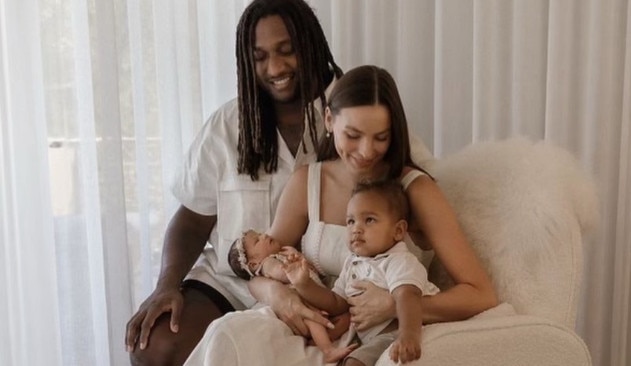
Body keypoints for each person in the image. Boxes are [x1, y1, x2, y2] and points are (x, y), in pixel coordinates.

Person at [124, 1, 436, 364]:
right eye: (260, 57)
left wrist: (401, 290)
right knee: (155, 346)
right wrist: (165, 285)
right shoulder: (228, 125)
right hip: (233, 282)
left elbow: (414, 183)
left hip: (323, 287)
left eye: (287, 51)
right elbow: (192, 219)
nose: (275, 68)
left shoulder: (357, 109)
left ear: (312, 44)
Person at [184, 65, 497, 366]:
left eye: (381, 137)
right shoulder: (308, 182)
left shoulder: (415, 190)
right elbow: (261, 265)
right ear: (330, 120)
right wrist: (278, 295)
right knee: (226, 335)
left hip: (381, 336)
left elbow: (480, 294)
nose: (366, 150)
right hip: (312, 329)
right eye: (353, 135)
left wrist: (395, 305)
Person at [285, 179, 440, 365]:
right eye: (350, 221)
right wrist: (304, 285)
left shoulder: (399, 261)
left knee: (354, 363)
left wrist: (409, 336)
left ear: (398, 231)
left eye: (369, 220)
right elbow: (337, 303)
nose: (356, 229)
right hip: (370, 337)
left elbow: (408, 298)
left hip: (396, 331)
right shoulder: (353, 263)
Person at [227, 229, 358, 362]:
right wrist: (292, 267)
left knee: (344, 318)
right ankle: (327, 350)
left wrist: (299, 258)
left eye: (260, 234)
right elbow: (284, 273)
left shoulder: (283, 255)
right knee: (314, 321)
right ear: (254, 264)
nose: (264, 235)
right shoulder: (268, 263)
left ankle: (317, 341)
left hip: (317, 298)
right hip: (301, 304)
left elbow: (313, 273)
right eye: (257, 240)